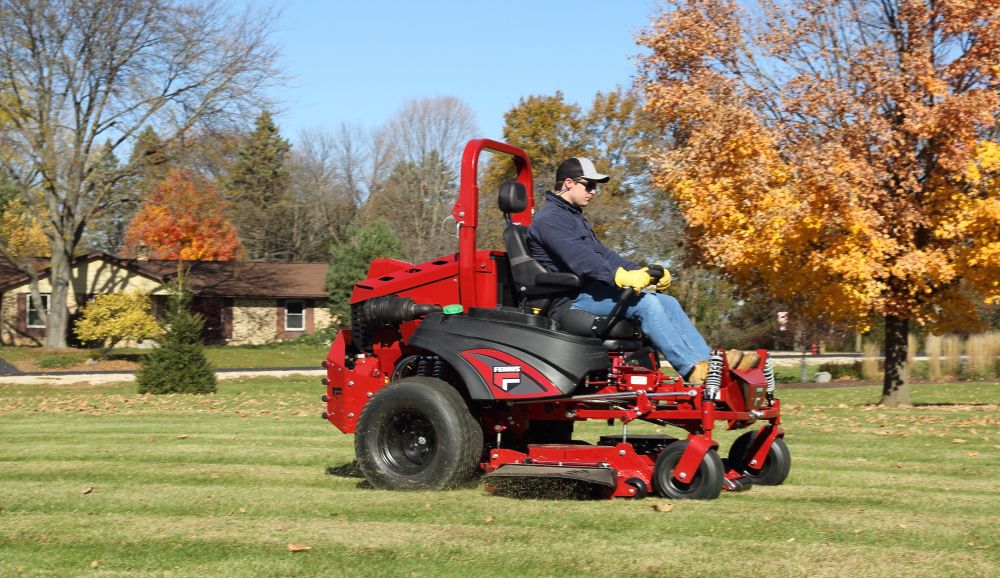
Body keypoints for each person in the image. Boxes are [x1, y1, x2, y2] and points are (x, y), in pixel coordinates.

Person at [526, 157, 757, 383]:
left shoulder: (573, 217)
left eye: (595, 186)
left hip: (590, 291)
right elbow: (581, 258)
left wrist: (642, 272)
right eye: (589, 184)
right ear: (568, 183)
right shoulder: (550, 219)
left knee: (667, 302)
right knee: (647, 305)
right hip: (570, 299)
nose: (594, 191)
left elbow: (605, 255)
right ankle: (691, 369)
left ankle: (710, 364)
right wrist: (619, 276)